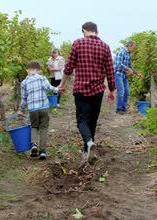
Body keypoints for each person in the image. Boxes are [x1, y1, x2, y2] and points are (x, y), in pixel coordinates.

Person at [58, 22, 116, 164]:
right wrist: (112, 90)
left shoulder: (78, 44)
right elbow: (110, 70)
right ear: (97, 31)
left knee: (82, 120)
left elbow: (69, 67)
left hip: (81, 89)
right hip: (97, 90)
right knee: (92, 121)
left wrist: (62, 84)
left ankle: (89, 143)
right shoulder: (105, 47)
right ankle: (87, 150)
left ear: (84, 31)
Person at [18, 60, 59, 160]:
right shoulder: (42, 78)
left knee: (34, 127)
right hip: (44, 108)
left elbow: (24, 99)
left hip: (32, 109)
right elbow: (49, 88)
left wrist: (21, 110)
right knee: (44, 128)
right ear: (38, 70)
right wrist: (59, 89)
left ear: (27, 70)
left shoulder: (24, 82)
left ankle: (34, 145)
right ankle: (43, 152)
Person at [114, 41, 144, 113]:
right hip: (118, 74)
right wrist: (128, 69)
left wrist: (137, 73)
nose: (134, 49)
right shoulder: (120, 52)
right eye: (133, 47)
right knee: (121, 92)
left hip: (124, 75)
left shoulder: (129, 55)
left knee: (127, 92)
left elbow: (130, 67)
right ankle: (119, 109)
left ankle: (123, 107)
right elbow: (118, 64)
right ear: (129, 46)